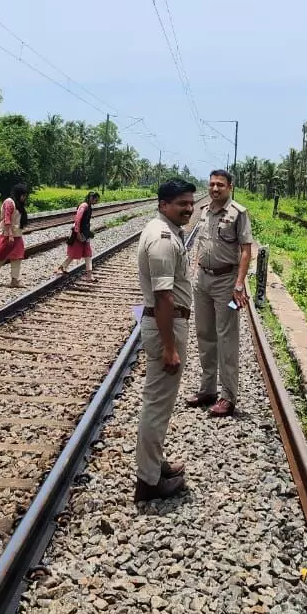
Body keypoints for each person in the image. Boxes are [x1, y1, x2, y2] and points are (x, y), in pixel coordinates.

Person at [134, 178, 197, 502]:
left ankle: (155, 464)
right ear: (163, 205)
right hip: (166, 327)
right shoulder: (161, 239)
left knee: (159, 403)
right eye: (181, 204)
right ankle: (148, 482)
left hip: (168, 325)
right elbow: (163, 297)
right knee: (157, 406)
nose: (188, 208)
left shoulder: (167, 231)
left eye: (190, 203)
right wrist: (170, 348)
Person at [185, 169, 253, 417]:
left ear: (230, 187)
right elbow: (201, 244)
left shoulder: (238, 213)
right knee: (204, 335)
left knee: (227, 338)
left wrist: (239, 284)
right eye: (212, 184)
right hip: (202, 280)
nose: (215, 189)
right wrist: (195, 269)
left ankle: (228, 397)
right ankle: (207, 389)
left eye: (220, 185)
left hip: (227, 283)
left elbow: (246, 251)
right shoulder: (204, 212)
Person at [0, 184, 29, 288]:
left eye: (25, 195)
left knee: (17, 257)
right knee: (1, 257)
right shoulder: (9, 202)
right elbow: (7, 219)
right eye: (23, 195)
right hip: (6, 234)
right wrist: (10, 235)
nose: (24, 197)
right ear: (18, 194)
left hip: (17, 235)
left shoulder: (19, 204)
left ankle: (14, 280)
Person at [58, 190, 100, 282]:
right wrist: (77, 233)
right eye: (95, 200)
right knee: (75, 253)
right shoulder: (84, 206)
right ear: (91, 198)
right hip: (79, 233)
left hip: (85, 234)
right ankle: (62, 267)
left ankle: (89, 275)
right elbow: (77, 219)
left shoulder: (89, 207)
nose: (96, 202)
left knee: (87, 254)